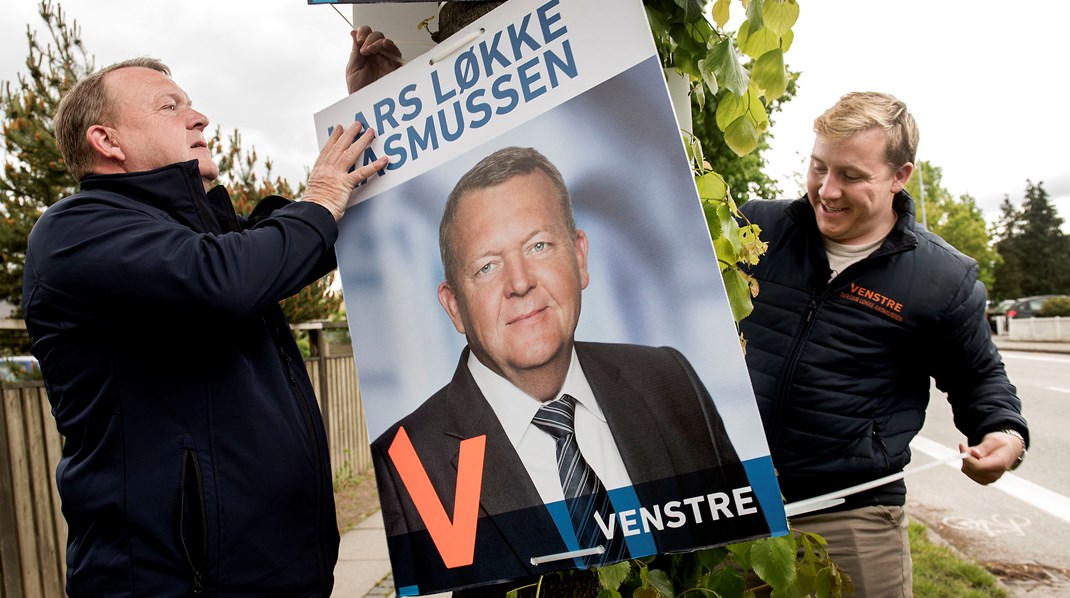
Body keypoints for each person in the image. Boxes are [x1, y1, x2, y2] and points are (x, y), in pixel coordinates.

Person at [22, 57, 388, 596]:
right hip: (176, 582)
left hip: (280, 574)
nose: (200, 118)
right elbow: (231, 276)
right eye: (170, 107)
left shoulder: (203, 236)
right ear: (107, 140)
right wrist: (321, 197)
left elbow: (307, 239)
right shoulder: (73, 232)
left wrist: (375, 108)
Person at [371, 147, 765, 596]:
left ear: (579, 257)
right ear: (454, 306)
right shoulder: (404, 462)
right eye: (487, 266)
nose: (520, 283)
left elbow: (745, 563)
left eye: (538, 245)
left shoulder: (670, 379)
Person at [738, 91, 1029, 597]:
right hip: (733, 505)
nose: (826, 190)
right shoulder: (756, 229)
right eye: (817, 167)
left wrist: (1004, 435)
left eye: (851, 176)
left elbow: (980, 379)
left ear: (900, 176)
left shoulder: (943, 277)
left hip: (852, 516)